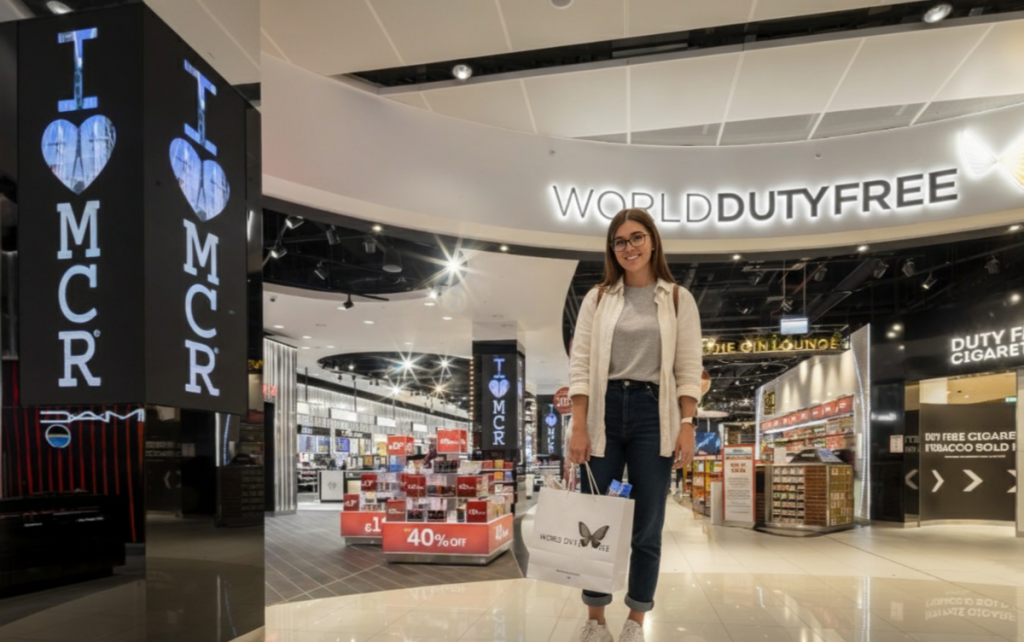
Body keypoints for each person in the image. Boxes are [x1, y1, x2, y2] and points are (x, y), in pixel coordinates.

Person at [568, 208, 703, 642]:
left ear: (653, 241)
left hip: (653, 413)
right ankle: (594, 620)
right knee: (595, 523)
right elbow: (582, 364)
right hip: (604, 411)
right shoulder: (598, 297)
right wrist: (579, 425)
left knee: (648, 525)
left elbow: (688, 366)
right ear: (612, 249)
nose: (629, 247)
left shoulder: (677, 298)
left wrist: (686, 423)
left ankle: (635, 621)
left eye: (637, 237)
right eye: (620, 241)